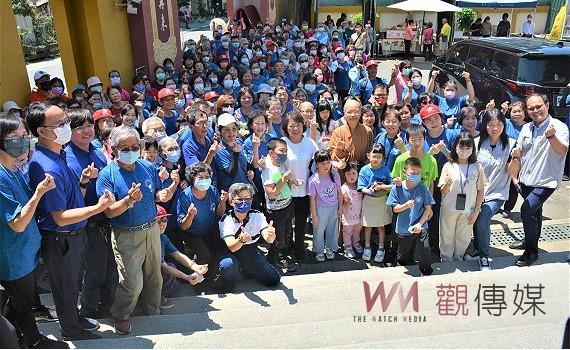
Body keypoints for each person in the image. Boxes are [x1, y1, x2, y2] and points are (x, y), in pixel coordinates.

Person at [26, 102, 115, 340]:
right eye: (61, 124)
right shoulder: (48, 167)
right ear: (42, 131)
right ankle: (71, 331)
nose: (67, 127)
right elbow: (60, 217)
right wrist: (97, 208)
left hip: (74, 235)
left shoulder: (59, 153)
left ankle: (75, 319)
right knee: (65, 288)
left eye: (66, 121)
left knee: (74, 282)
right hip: (61, 237)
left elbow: (69, 198)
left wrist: (83, 183)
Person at [96, 125, 178, 335]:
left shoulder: (146, 166)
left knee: (154, 276)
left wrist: (163, 195)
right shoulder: (108, 175)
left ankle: (153, 310)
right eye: (125, 148)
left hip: (151, 228)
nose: (131, 151)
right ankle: (121, 314)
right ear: (114, 149)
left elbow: (156, 194)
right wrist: (128, 200)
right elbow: (109, 212)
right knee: (132, 283)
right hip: (126, 233)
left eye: (135, 146)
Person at [0, 114, 68, 348]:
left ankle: (14, 336)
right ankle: (33, 341)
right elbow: (17, 222)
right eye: (13, 137)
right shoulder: (1, 176)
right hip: (14, 258)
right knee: (23, 304)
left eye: (23, 135)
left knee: (19, 300)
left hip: (26, 253)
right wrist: (39, 194)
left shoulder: (14, 168)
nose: (21, 140)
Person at [65, 109, 117, 320]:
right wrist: (85, 181)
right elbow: (72, 201)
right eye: (80, 128)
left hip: (107, 220)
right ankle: (86, 312)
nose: (87, 131)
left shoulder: (96, 151)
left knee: (110, 269)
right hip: (87, 225)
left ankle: (107, 308)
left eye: (89, 125)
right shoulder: (67, 157)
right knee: (94, 271)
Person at [509, 94, 569, 267]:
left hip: (546, 181)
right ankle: (529, 240)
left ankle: (531, 252)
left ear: (547, 105)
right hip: (526, 179)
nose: (535, 111)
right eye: (531, 108)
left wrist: (551, 137)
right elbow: (520, 153)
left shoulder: (558, 126)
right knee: (535, 213)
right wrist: (515, 172)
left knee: (526, 210)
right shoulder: (527, 128)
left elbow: (562, 150)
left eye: (538, 106)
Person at [472, 109, 518, 270]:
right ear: (485, 125)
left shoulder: (512, 144)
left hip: (497, 193)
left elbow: (512, 171)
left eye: (499, 124)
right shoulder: (476, 143)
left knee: (483, 217)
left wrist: (517, 157)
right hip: (477, 193)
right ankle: (477, 249)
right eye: (491, 124)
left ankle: (484, 256)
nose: (495, 128)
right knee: (476, 220)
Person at [219, 183, 281, 287]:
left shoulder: (257, 215)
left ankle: (247, 269)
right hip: (230, 253)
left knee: (273, 279)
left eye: (247, 198)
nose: (244, 202)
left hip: (250, 252)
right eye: (239, 199)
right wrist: (241, 240)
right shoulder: (226, 220)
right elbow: (232, 247)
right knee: (228, 266)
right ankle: (226, 280)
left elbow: (268, 239)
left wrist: (271, 235)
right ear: (231, 201)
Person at [438, 133, 485, 262]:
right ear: (455, 148)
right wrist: (447, 183)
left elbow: (481, 190)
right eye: (461, 147)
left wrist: (476, 211)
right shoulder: (449, 166)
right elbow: (442, 191)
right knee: (446, 236)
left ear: (472, 149)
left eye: (468, 147)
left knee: (463, 237)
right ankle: (446, 260)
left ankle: (459, 258)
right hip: (449, 208)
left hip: (468, 209)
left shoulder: (477, 167)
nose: (464, 151)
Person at [387, 157, 434, 276]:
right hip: (403, 228)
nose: (416, 176)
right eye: (412, 173)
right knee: (403, 256)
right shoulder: (397, 188)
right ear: (404, 173)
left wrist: (420, 223)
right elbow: (395, 208)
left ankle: (427, 271)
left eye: (418, 173)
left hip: (420, 225)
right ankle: (404, 265)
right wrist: (405, 206)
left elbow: (428, 208)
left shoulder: (422, 188)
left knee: (425, 247)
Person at [283, 111, 319, 262]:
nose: (295, 129)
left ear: (303, 126)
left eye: (298, 125)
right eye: (291, 126)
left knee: (300, 222)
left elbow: (318, 162)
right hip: (285, 189)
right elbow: (276, 166)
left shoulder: (310, 143)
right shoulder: (282, 142)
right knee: (285, 222)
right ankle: (285, 248)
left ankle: (299, 248)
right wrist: (288, 180)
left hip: (305, 190)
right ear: (286, 127)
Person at [156, 205, 208, 309]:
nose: (162, 224)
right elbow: (164, 267)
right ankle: (157, 300)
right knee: (169, 269)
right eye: (157, 221)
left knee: (176, 287)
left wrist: (195, 266)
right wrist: (187, 277)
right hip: (144, 275)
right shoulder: (151, 240)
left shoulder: (163, 237)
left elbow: (177, 254)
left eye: (164, 219)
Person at [261, 138, 297, 271]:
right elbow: (272, 193)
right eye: (281, 151)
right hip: (276, 211)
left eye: (286, 151)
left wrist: (292, 182)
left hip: (287, 205)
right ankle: (272, 260)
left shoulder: (281, 166)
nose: (284, 154)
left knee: (287, 234)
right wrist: (284, 179)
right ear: (271, 153)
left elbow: (284, 187)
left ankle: (282, 257)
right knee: (278, 238)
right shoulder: (267, 170)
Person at [358, 144, 393, 263]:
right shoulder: (364, 169)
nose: (376, 159)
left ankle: (381, 248)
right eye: (374, 156)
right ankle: (367, 247)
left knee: (381, 226)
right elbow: (361, 187)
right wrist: (369, 190)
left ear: (383, 157)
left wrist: (381, 187)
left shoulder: (385, 169)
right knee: (367, 226)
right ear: (368, 156)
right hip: (368, 200)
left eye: (379, 156)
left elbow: (392, 185)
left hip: (381, 200)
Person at [308, 150, 342, 262]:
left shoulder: (335, 174)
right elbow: (312, 199)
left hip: (334, 206)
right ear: (316, 164)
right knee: (319, 230)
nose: (326, 165)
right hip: (320, 208)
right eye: (322, 163)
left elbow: (339, 192)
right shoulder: (313, 180)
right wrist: (314, 215)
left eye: (328, 162)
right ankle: (319, 250)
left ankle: (330, 248)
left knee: (333, 229)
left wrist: (340, 208)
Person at [212, 113, 253, 191]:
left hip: (246, 188)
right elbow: (231, 173)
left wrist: (250, 170)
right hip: (232, 193)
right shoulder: (219, 150)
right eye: (227, 129)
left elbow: (245, 161)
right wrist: (236, 153)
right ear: (220, 131)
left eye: (234, 128)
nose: (231, 132)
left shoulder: (239, 141)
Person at [329, 98, 373, 166]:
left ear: (360, 112)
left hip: (361, 170)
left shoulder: (367, 131)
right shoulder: (338, 132)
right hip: (344, 170)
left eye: (356, 112)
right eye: (349, 112)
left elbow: (370, 152)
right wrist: (338, 149)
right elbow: (331, 155)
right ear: (344, 113)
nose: (353, 115)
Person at [340, 162, 363, 258]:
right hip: (348, 215)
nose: (351, 176)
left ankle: (356, 243)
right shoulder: (344, 188)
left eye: (354, 173)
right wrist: (346, 201)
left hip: (359, 214)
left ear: (358, 173)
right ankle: (348, 246)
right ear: (344, 175)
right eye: (348, 174)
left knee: (357, 230)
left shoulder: (360, 186)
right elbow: (341, 203)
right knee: (347, 231)